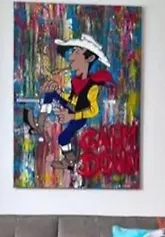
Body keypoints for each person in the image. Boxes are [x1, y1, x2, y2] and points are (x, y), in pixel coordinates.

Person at [24, 34, 115, 170]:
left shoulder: (92, 86)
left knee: (63, 138)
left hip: (78, 116)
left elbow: (94, 110)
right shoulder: (76, 80)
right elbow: (73, 99)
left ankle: (70, 161)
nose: (71, 57)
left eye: (77, 52)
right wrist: (59, 91)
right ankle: (40, 123)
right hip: (72, 107)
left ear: (89, 58)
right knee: (51, 93)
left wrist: (71, 116)